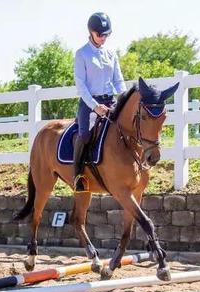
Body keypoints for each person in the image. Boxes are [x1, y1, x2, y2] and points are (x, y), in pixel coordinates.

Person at [73, 12, 126, 192]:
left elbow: (118, 81)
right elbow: (80, 85)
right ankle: (78, 174)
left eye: (106, 34)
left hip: (110, 101)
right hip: (90, 104)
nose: (103, 38)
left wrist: (124, 98)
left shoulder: (111, 53)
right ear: (91, 32)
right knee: (85, 135)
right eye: (100, 34)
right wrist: (95, 106)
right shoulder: (82, 54)